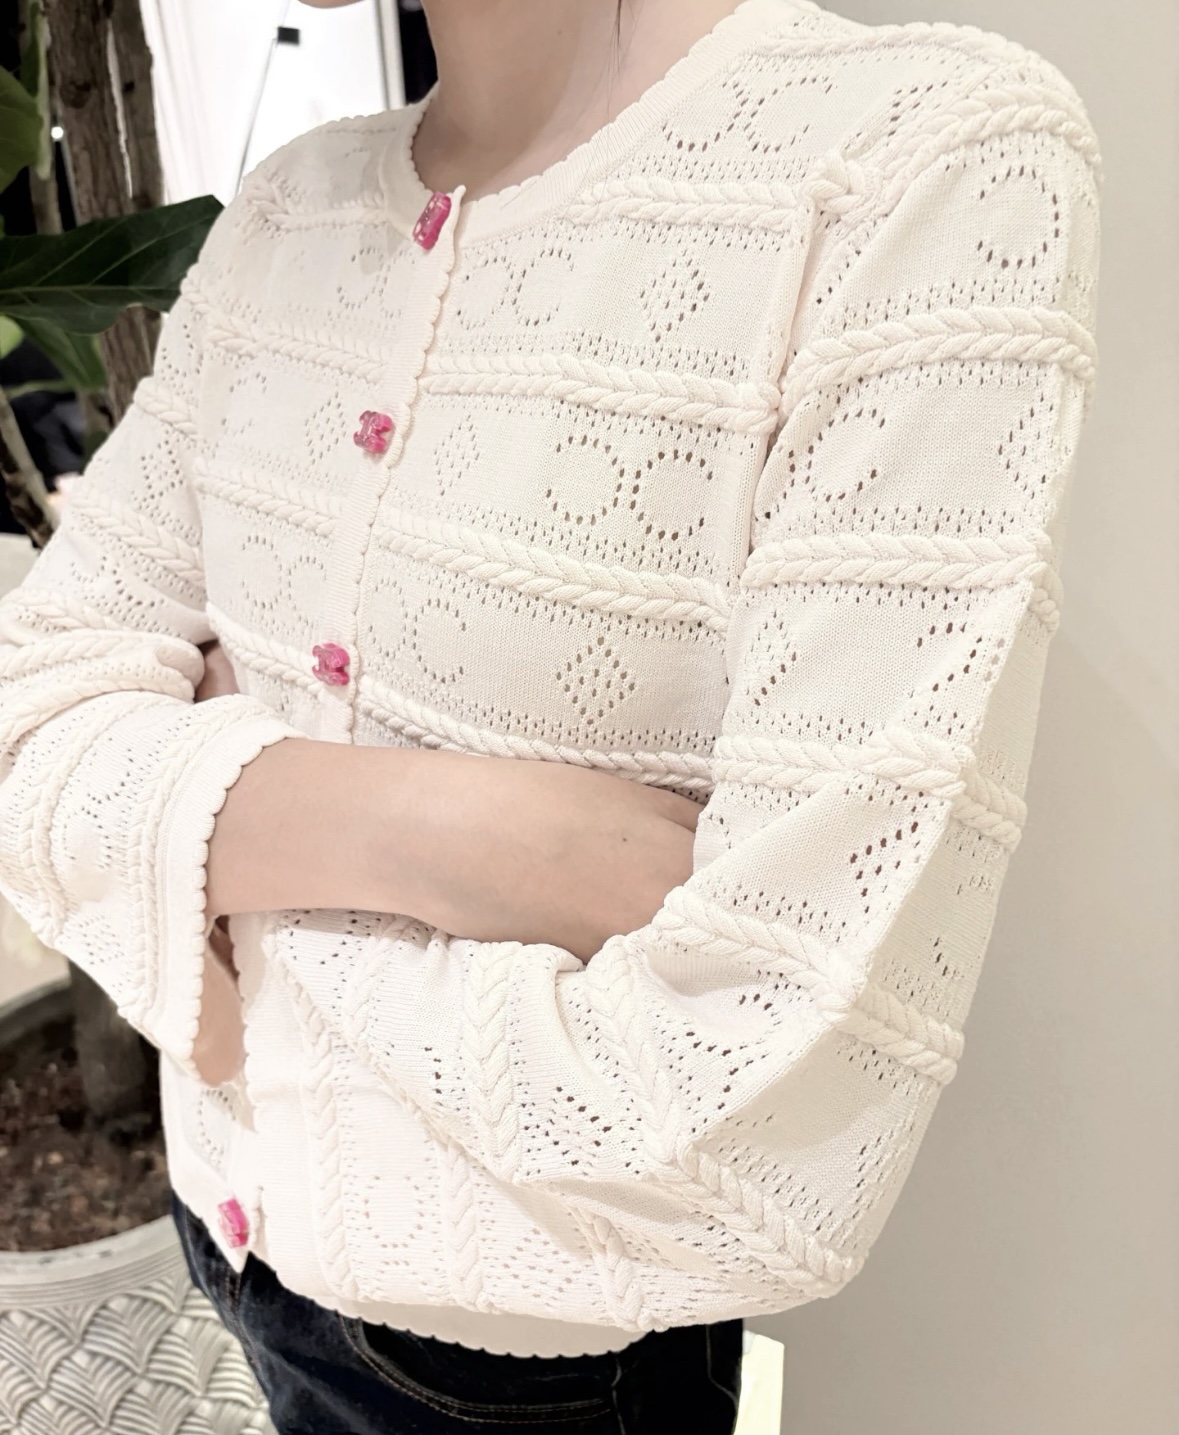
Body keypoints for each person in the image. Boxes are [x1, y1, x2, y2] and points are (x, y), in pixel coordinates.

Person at [0, 0, 1101, 1430]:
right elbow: (23, 733)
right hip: (230, 1242)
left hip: (531, 1382)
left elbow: (761, 1121)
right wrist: (498, 841)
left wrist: (202, 852)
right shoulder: (288, 210)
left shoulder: (912, 166)